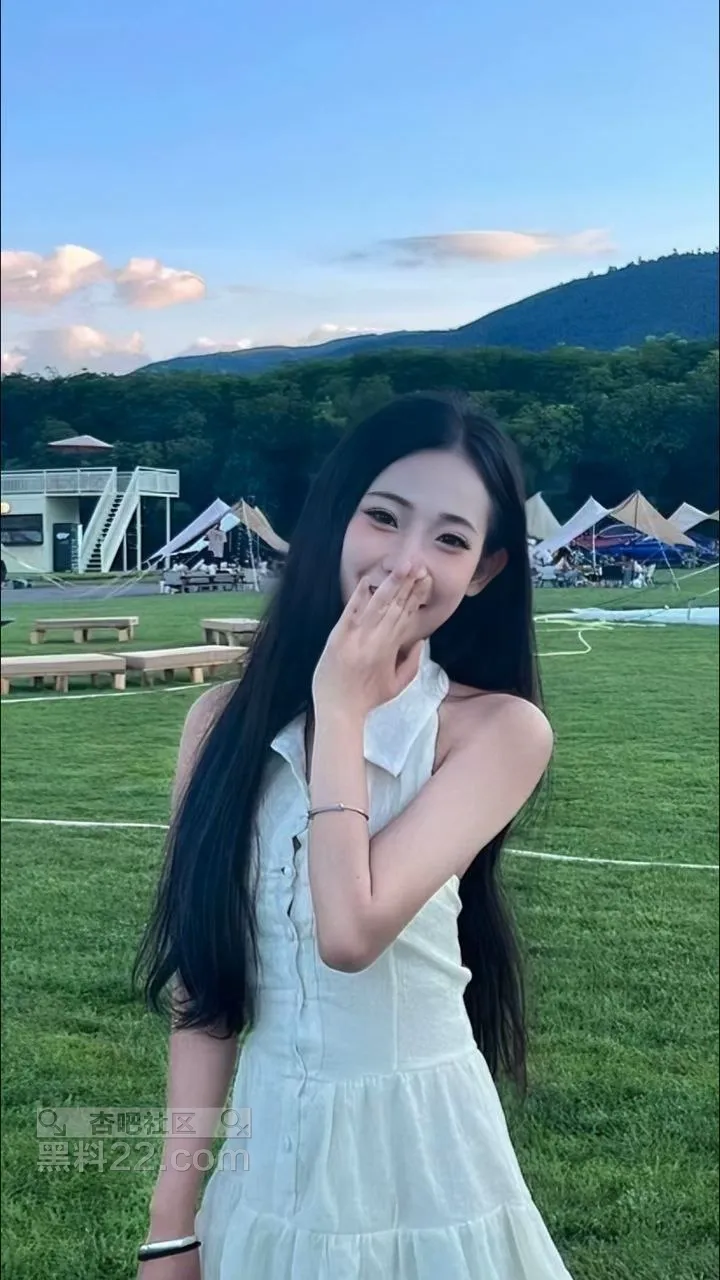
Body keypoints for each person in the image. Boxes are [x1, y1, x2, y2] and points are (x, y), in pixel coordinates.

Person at [133, 391, 572, 1279]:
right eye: (383, 518)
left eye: (449, 540)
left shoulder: (497, 731)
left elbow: (349, 931)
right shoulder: (218, 724)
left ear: (483, 571)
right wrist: (171, 1223)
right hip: (267, 1159)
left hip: (422, 1161)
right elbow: (206, 986)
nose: (406, 563)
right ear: (335, 519)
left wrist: (341, 708)